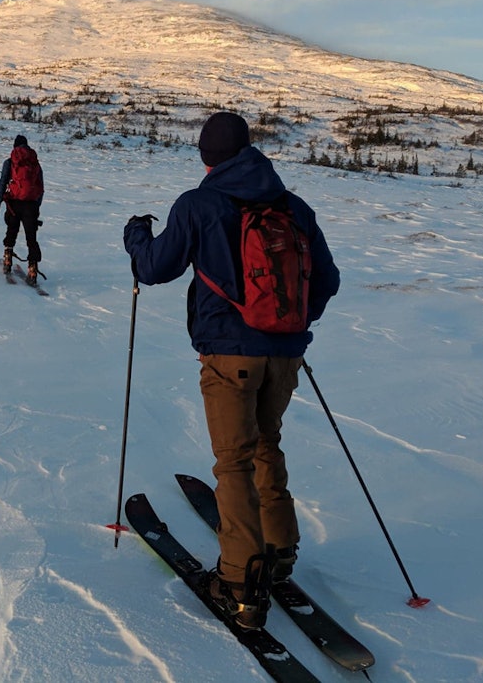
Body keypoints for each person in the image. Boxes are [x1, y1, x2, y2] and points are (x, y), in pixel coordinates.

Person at [123, 111, 340, 630]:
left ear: (206, 157)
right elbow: (327, 280)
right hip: (285, 356)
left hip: (228, 356)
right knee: (268, 444)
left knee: (233, 462)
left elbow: (155, 268)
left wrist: (135, 236)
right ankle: (280, 552)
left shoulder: (198, 204)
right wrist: (288, 328)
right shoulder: (294, 207)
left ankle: (242, 584)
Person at [0, 134, 45, 284]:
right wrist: (36, 206)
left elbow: (2, 184)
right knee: (31, 238)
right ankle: (33, 268)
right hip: (31, 205)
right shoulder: (35, 163)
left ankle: (7, 259)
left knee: (12, 231)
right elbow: (41, 188)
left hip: (14, 203)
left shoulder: (10, 162)